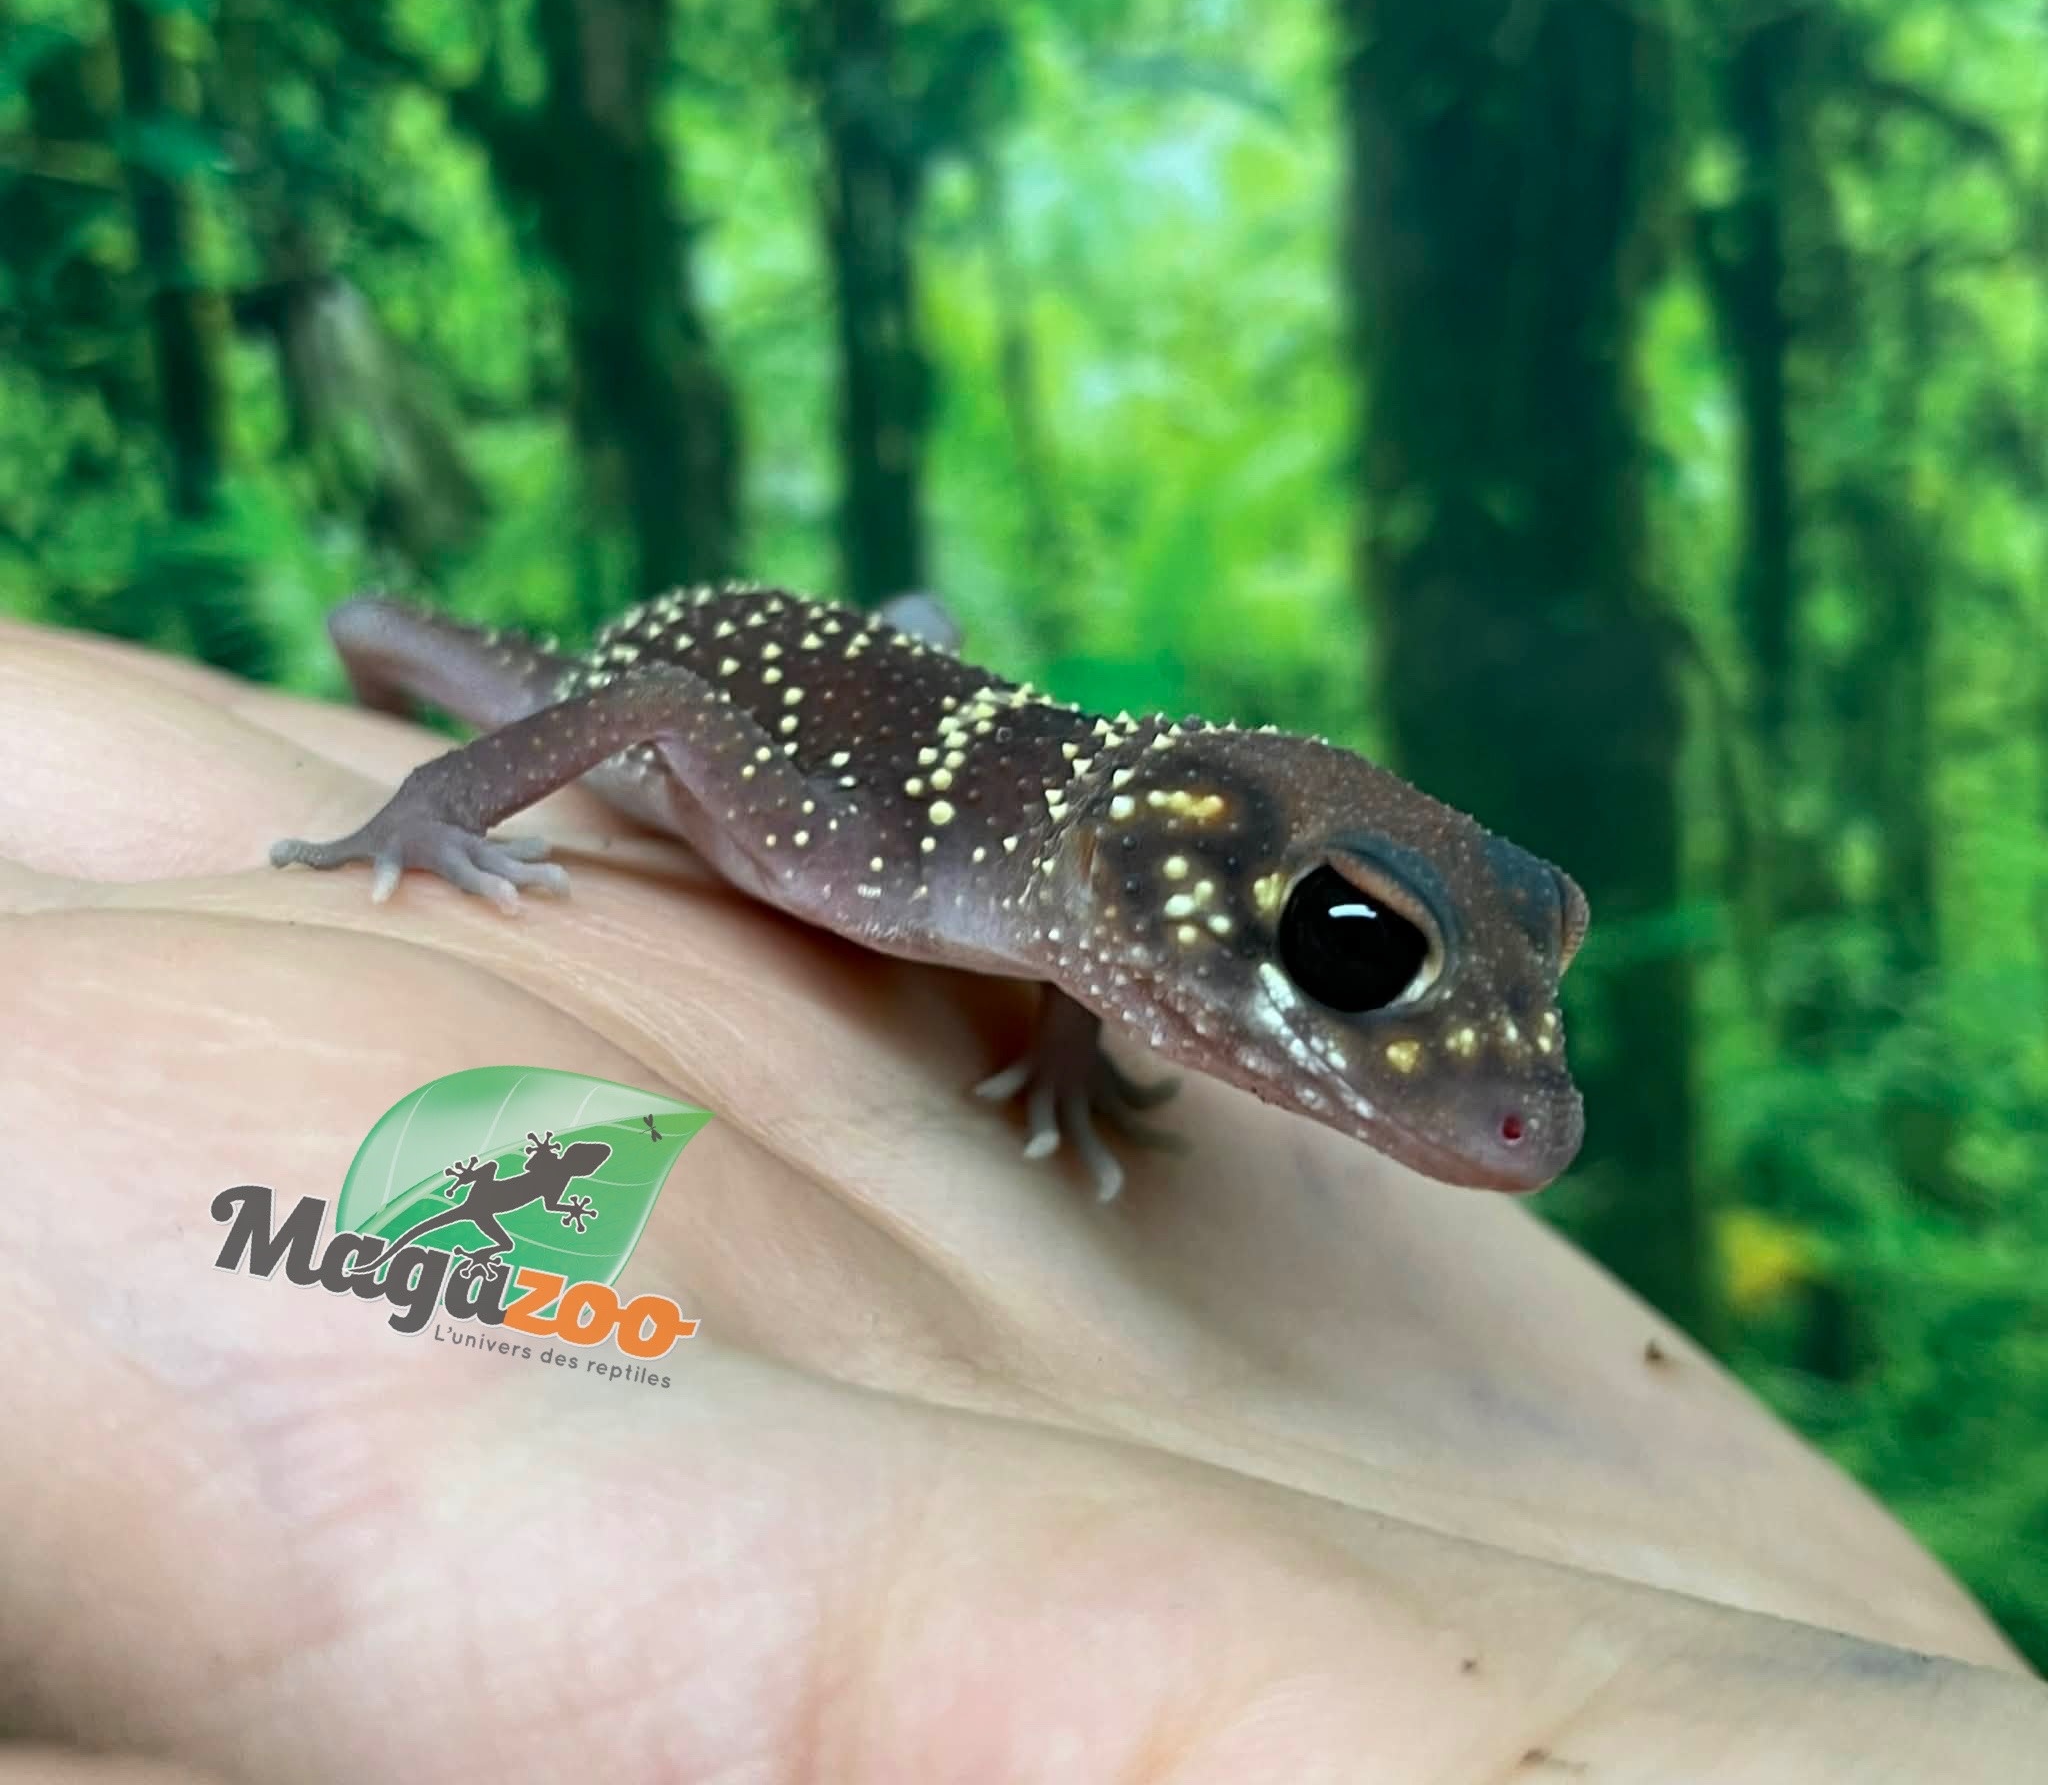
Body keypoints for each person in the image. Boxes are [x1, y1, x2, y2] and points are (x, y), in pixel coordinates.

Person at [2, 620, 2040, 1783]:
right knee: (395, 629)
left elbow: (1089, 945)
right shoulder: (871, 846)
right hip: (690, 655)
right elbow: (672, 719)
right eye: (1352, 953)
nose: (1522, 1116)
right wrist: (433, 806)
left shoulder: (1075, 886)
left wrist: (1071, 1050)